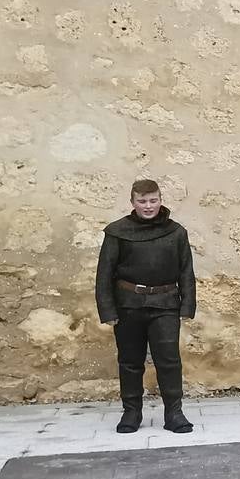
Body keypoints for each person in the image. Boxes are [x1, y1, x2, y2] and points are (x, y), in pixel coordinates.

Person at [94, 179, 196, 434]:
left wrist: (187, 307)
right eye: (142, 201)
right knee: (130, 361)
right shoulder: (117, 232)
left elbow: (186, 271)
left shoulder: (176, 232)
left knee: (169, 360)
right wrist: (108, 311)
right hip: (128, 305)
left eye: (153, 200)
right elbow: (104, 274)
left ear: (160, 200)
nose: (148, 206)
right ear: (132, 203)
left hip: (165, 305)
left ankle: (174, 412)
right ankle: (131, 412)